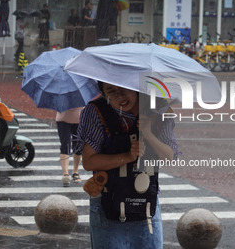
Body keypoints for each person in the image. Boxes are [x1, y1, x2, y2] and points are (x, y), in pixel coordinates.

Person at [76, 82, 178, 248]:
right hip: (107, 201)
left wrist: (148, 134)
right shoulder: (95, 112)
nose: (120, 96)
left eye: (124, 89)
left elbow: (168, 156)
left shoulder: (158, 110)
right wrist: (127, 156)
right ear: (102, 92)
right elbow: (89, 161)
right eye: (111, 91)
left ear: (137, 86)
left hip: (146, 204)